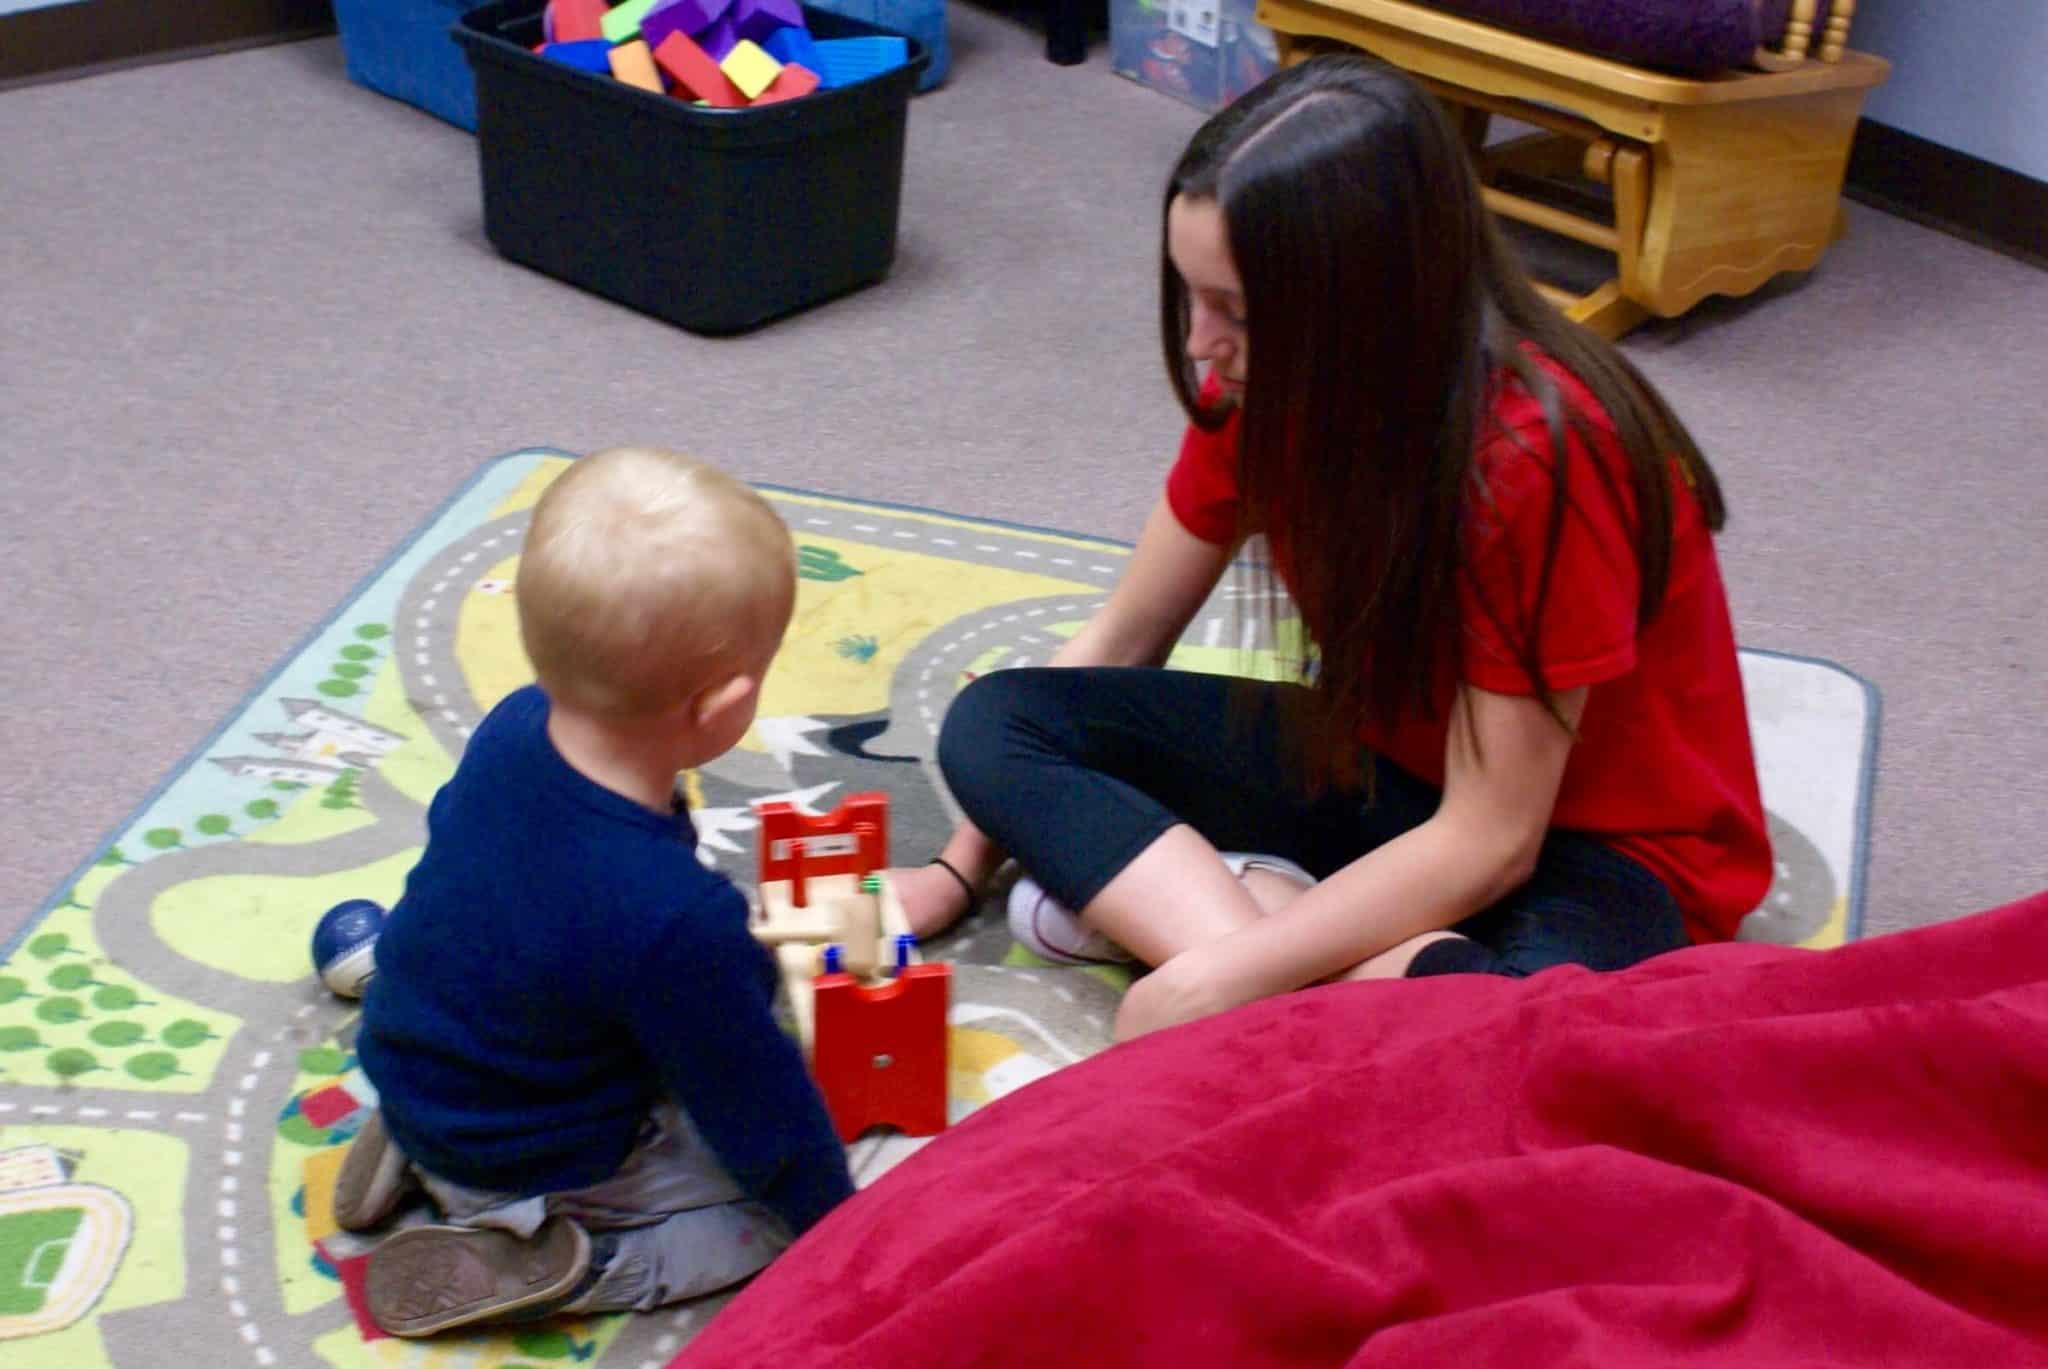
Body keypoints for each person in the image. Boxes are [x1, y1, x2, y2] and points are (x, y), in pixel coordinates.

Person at [891, 54, 1771, 1042]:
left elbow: (1493, 838)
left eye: (1236, 311)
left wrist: (1208, 981)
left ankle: (1235, 925)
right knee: (998, 719)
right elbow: (1125, 635)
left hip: (1599, 854)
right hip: (1391, 777)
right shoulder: (1260, 390)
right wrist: (958, 867)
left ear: (1366, 304)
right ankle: (1291, 949)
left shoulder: (1537, 462)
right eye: (1191, 296)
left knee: (1531, 1045)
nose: (1200, 343)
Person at [338, 447, 853, 1338]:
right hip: (540, 1154)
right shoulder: (674, 918)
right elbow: (757, 1110)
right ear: (722, 704)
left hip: (417, 1057)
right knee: (761, 1218)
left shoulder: (512, 727)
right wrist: (841, 1221)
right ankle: (568, 1253)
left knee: (516, 981)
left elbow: (476, 902)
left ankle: (417, 1142)